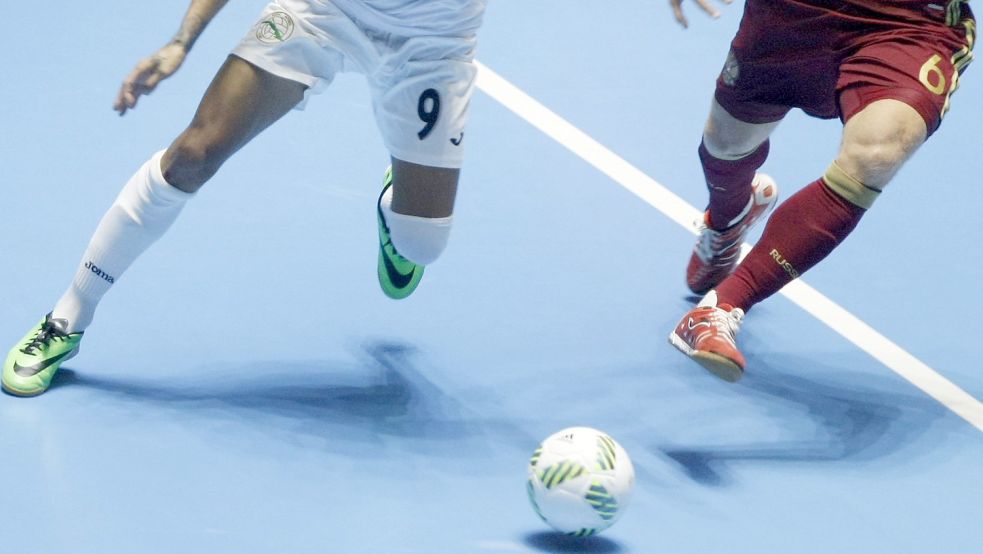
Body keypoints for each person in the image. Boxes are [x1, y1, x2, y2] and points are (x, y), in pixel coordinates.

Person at [2, 0, 486, 396]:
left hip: (431, 41)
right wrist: (181, 41)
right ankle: (67, 318)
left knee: (421, 245)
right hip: (324, 11)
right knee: (192, 155)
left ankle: (394, 204)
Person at [666, 0, 975, 382]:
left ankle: (721, 307)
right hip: (794, 11)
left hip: (906, 22)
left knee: (878, 151)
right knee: (726, 145)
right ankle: (727, 221)